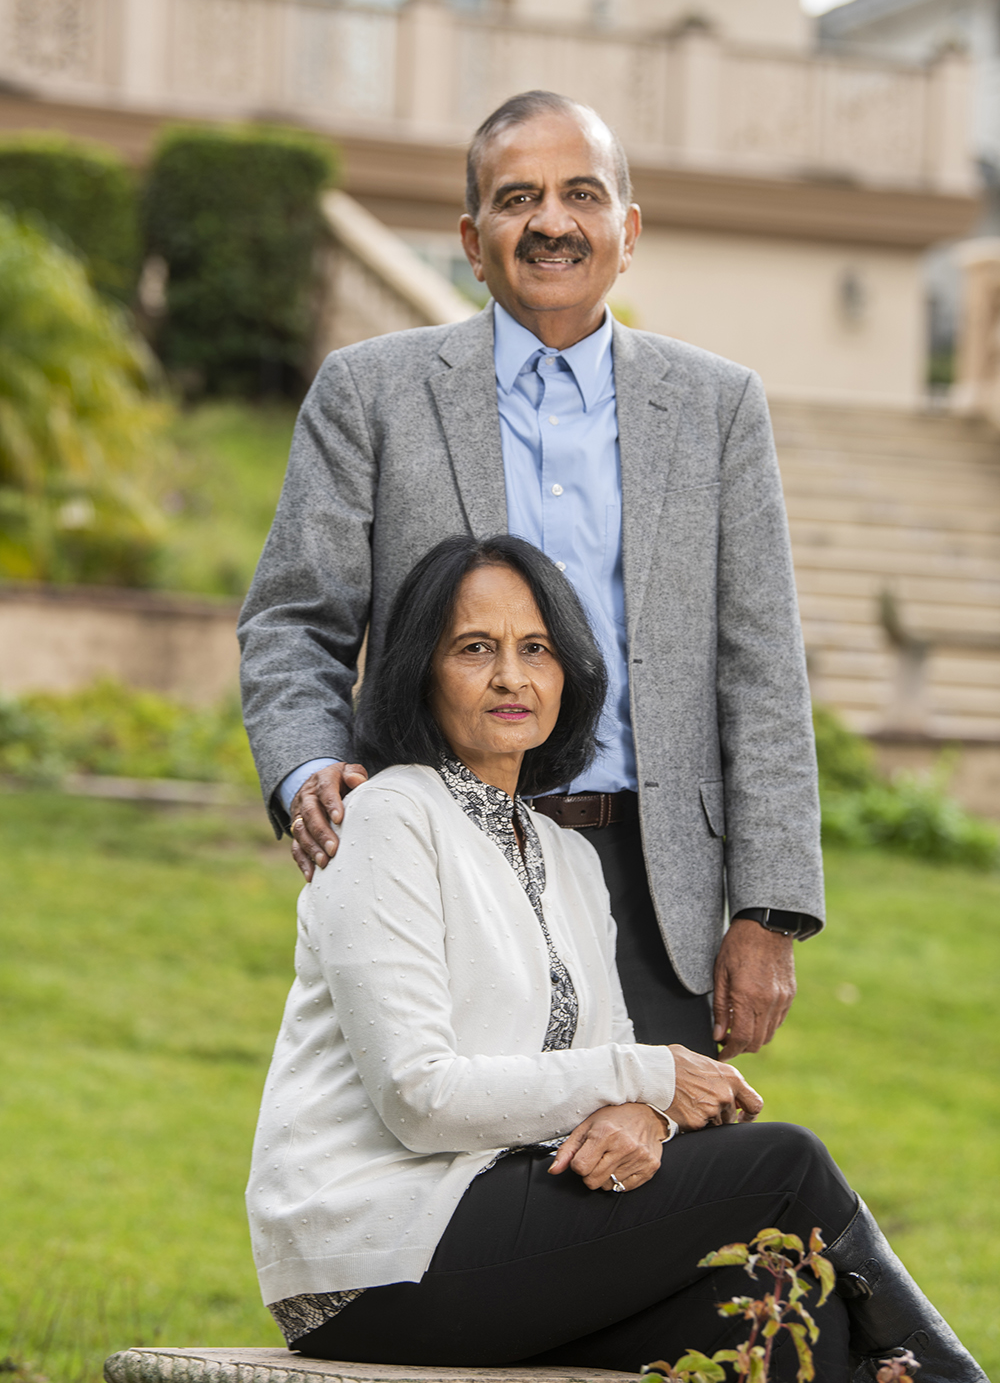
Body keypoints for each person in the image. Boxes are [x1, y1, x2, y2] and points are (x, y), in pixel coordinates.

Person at [246, 535, 986, 1383]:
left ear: (569, 675)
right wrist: (653, 1078)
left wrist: (648, 1115)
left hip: (508, 1224)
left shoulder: (570, 859)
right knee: (786, 1163)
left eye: (537, 650)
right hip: (372, 1253)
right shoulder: (386, 819)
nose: (512, 678)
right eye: (474, 649)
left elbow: (614, 1062)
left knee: (781, 1311)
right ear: (421, 670)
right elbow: (420, 1096)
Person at [238, 88, 825, 1062]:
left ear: (625, 231)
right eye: (517, 199)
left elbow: (760, 663)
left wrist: (769, 911)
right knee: (460, 1178)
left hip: (657, 880)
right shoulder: (370, 393)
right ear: (473, 242)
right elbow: (294, 617)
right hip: (439, 855)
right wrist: (309, 769)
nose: (551, 222)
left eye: (580, 194)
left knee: (655, 1186)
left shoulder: (718, 408)